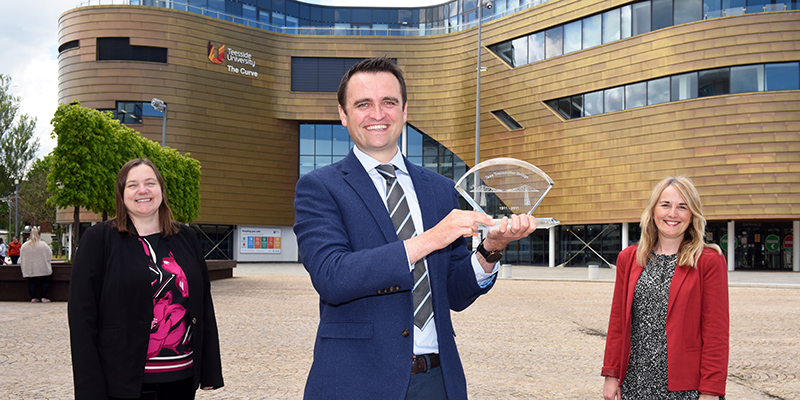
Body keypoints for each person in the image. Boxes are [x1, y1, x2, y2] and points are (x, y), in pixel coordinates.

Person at [293, 57, 538, 400]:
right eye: (363, 104)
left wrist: (490, 249)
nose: (377, 114)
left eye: (388, 102)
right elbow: (333, 278)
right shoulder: (319, 187)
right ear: (343, 114)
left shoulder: (438, 189)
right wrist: (430, 239)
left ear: (405, 111)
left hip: (436, 381)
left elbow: (453, 292)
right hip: (355, 383)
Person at [68, 158, 224, 399]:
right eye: (132, 185)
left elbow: (203, 304)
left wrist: (210, 370)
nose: (142, 190)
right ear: (121, 194)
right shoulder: (99, 240)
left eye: (150, 183)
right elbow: (81, 318)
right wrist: (90, 390)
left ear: (161, 189)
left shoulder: (186, 237)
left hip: (180, 378)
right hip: (123, 382)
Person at [601, 176, 729, 400]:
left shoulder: (709, 260)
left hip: (687, 389)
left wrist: (711, 391)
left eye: (682, 207)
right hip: (634, 384)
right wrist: (611, 375)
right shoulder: (629, 258)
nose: (673, 214)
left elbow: (716, 334)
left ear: (692, 214)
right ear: (653, 210)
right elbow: (618, 323)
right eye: (666, 205)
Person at [20, 228, 53, 303]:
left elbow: (22, 257)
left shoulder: (24, 246)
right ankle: (43, 297)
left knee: (31, 282)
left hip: (30, 269)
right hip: (42, 268)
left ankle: (33, 298)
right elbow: (49, 256)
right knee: (44, 282)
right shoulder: (43, 245)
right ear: (39, 235)